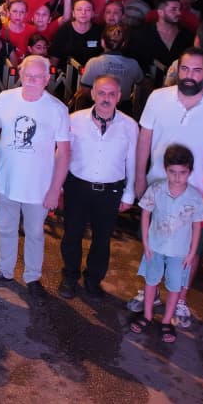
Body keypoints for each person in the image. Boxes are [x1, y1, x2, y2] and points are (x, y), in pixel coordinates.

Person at [132, 47, 203, 325]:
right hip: (157, 187)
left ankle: (180, 300)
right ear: (178, 70)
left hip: (197, 193)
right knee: (153, 241)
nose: (190, 75)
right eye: (185, 69)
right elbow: (144, 139)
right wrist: (140, 177)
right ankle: (151, 292)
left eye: (197, 70)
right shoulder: (158, 97)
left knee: (190, 249)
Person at [0, 55, 72, 293]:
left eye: (37, 77)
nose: (32, 80)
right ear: (20, 75)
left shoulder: (57, 109)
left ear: (46, 79)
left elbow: (64, 153)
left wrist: (55, 189)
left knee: (34, 233)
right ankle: (5, 270)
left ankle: (33, 277)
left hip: (39, 187)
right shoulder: (5, 99)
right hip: (5, 181)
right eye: (28, 75)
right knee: (5, 229)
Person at [60, 75, 137, 299]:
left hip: (110, 191)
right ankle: (70, 277)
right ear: (93, 94)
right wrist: (59, 186)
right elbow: (63, 155)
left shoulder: (130, 126)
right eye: (101, 93)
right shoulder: (74, 120)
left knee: (102, 240)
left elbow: (132, 161)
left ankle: (93, 280)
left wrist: (129, 193)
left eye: (111, 94)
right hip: (77, 187)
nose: (106, 98)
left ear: (119, 97)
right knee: (72, 234)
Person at [128, 145, 203, 346]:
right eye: (172, 172)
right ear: (165, 169)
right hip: (155, 247)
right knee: (151, 281)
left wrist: (192, 252)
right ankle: (147, 315)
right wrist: (146, 243)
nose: (177, 177)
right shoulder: (156, 189)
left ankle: (166, 321)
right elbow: (146, 214)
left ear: (190, 171)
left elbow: (197, 226)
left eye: (183, 172)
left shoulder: (195, 197)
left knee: (174, 286)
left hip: (179, 252)